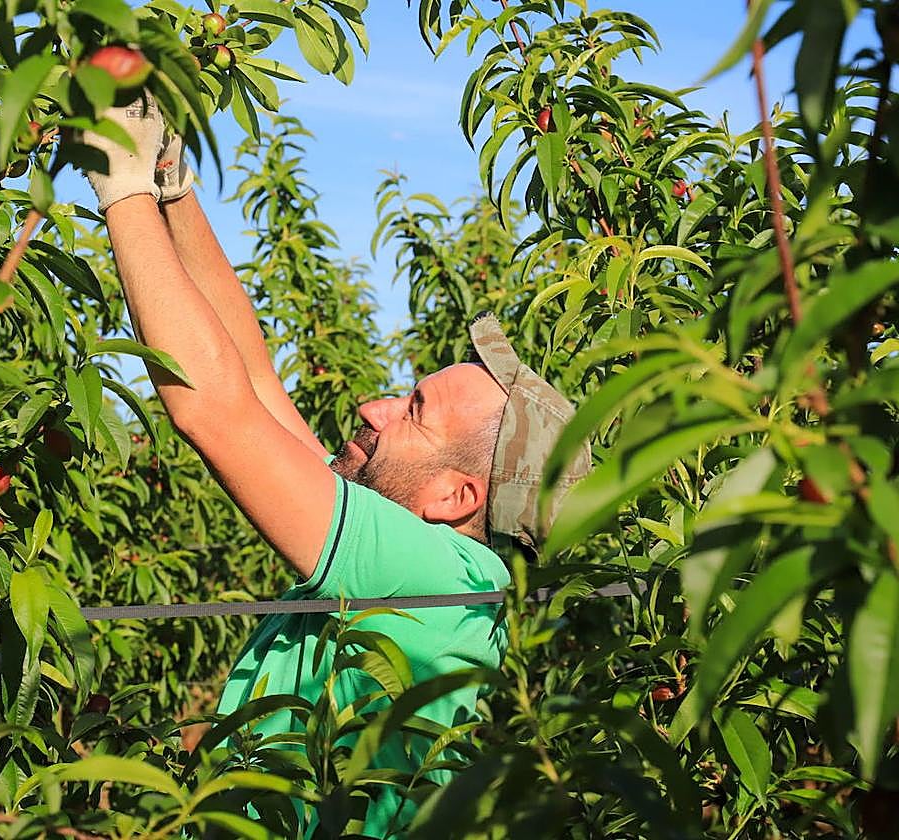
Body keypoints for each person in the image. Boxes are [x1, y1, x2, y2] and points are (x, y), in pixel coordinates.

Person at [81, 95, 591, 837]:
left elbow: (214, 414)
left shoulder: (446, 579)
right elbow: (253, 385)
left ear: (455, 496)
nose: (371, 406)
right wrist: (172, 188)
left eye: (412, 410)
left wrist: (119, 188)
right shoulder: (412, 554)